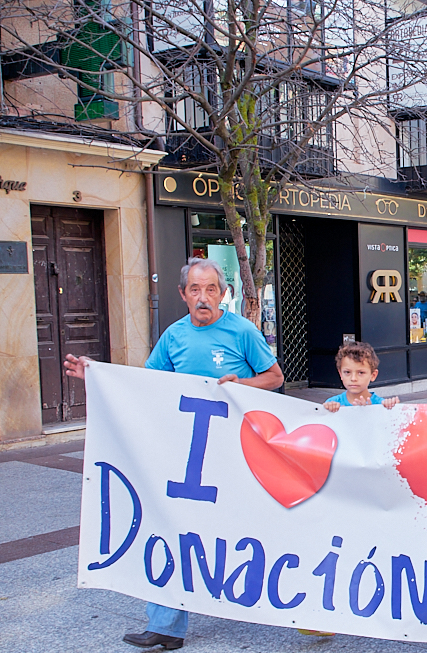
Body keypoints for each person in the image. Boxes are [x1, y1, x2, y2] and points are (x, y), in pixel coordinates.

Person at [64, 258, 284, 651]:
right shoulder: (174, 336)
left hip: (235, 454)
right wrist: (96, 375)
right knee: (171, 528)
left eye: (211, 289)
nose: (204, 298)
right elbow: (145, 383)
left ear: (224, 293)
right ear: (182, 294)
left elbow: (275, 377)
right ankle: (165, 625)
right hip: (185, 458)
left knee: (248, 528)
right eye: (195, 290)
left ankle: (292, 603)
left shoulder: (242, 331)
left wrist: (242, 384)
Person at [323, 342, 400, 411]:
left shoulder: (382, 406)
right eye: (347, 372)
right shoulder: (332, 404)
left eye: (361, 373)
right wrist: (327, 412)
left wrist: (393, 410)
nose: (353, 378)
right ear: (340, 374)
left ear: (373, 375)